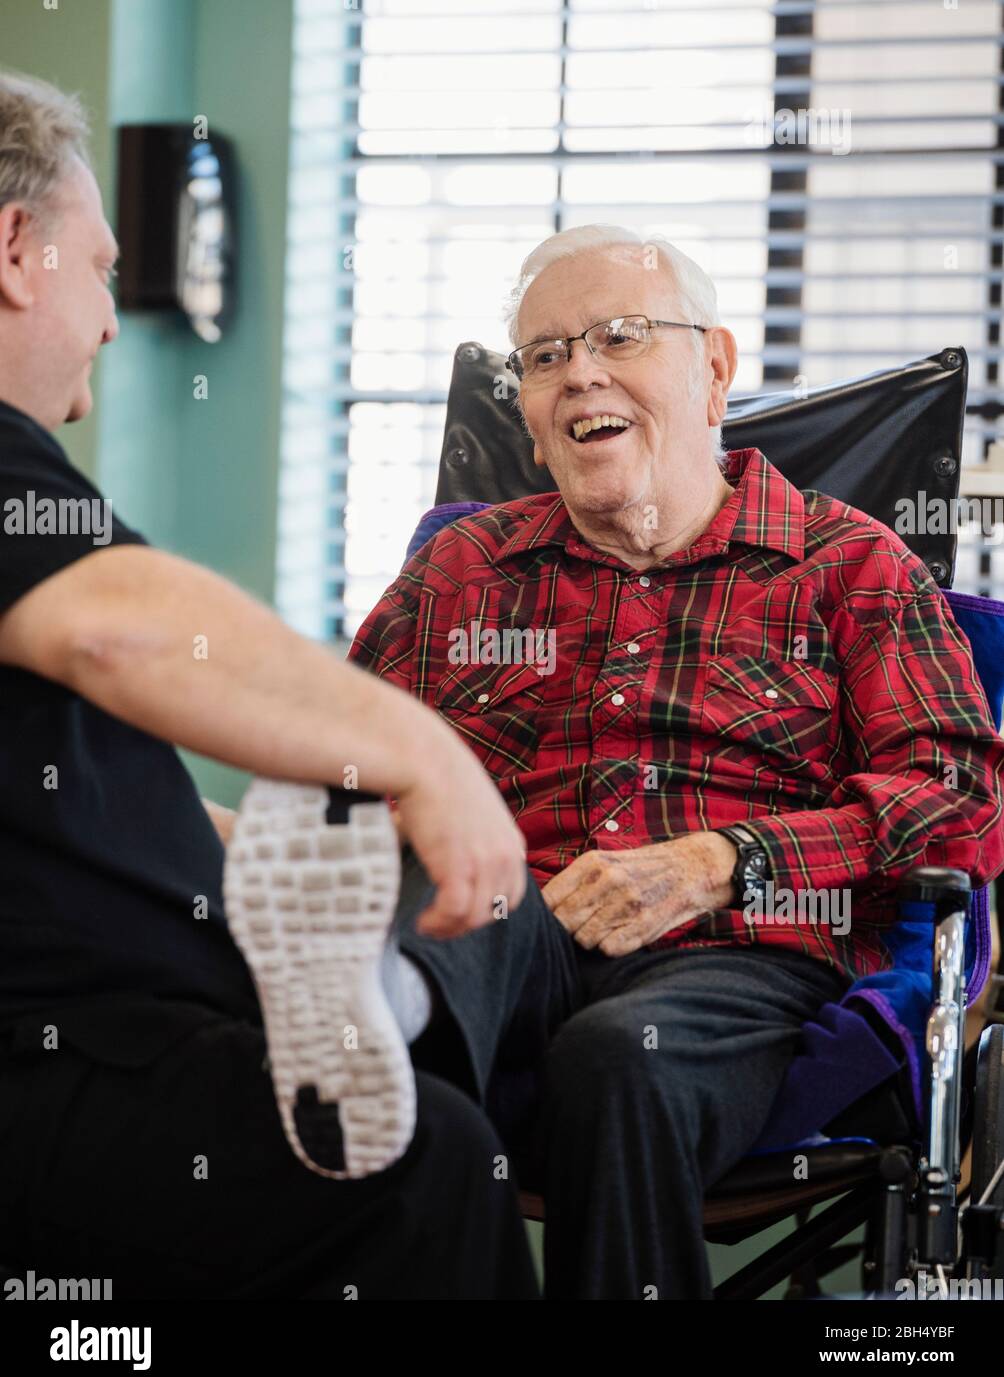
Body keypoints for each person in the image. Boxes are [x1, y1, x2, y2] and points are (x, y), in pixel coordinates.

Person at [346, 223, 1004, 1298]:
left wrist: (718, 860)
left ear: (713, 368)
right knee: (411, 969)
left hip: (735, 953)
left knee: (618, 1058)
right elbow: (341, 776)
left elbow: (958, 807)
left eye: (618, 335)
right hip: (508, 930)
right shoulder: (460, 570)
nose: (579, 373)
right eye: (545, 355)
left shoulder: (847, 566)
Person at [0, 69, 536, 1300]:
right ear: (16, 253)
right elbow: (123, 630)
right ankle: (389, 1008)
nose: (105, 318)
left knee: (480, 985)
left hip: (107, 1018)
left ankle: (385, 996)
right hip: (56, 1058)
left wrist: (224, 842)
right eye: (98, 268)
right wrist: (425, 755)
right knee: (418, 1171)